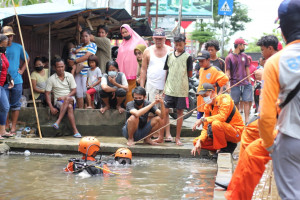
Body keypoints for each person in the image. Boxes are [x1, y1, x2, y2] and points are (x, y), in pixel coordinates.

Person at [258, 0, 300, 198]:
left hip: (290, 139)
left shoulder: (275, 62)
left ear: (283, 30)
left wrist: (270, 145)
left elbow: (266, 116)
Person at [154, 34, 193, 146]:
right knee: (164, 112)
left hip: (182, 90)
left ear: (185, 44)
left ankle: (177, 138)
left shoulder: (188, 57)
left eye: (180, 44)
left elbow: (189, 74)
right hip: (169, 89)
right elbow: (167, 72)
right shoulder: (169, 55)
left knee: (180, 113)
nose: (178, 47)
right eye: (176, 44)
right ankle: (161, 137)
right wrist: (165, 89)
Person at [191, 83, 244, 157]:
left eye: (205, 96)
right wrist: (199, 141)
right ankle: (224, 147)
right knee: (196, 142)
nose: (204, 98)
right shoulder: (207, 106)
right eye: (202, 97)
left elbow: (222, 117)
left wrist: (203, 119)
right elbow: (206, 128)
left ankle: (222, 148)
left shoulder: (225, 99)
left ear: (212, 92)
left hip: (235, 132)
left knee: (215, 124)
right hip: (221, 132)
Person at [140, 28, 173, 141]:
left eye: (161, 38)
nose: (158, 40)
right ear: (153, 38)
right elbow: (143, 70)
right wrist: (141, 88)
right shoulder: (147, 51)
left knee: (166, 111)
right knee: (151, 111)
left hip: (166, 85)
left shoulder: (170, 50)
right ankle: (152, 133)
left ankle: (167, 134)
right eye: (156, 38)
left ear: (165, 39)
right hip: (151, 85)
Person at [2, 26, 29, 135]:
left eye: (11, 36)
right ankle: (6, 126)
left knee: (15, 104)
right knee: (4, 105)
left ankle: (13, 127)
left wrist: (22, 70)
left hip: (17, 80)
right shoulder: (1, 48)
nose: (10, 38)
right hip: (3, 81)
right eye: (7, 36)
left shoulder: (18, 47)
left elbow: (27, 58)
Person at [45, 58, 81, 138]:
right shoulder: (51, 79)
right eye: (58, 67)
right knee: (69, 107)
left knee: (68, 100)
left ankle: (58, 121)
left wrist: (65, 97)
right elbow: (47, 93)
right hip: (58, 102)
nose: (60, 69)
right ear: (55, 67)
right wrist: (51, 107)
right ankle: (75, 131)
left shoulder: (70, 76)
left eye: (62, 66)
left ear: (64, 66)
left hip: (70, 98)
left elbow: (74, 90)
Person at [116, 24, 147, 104]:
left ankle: (131, 110)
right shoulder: (122, 44)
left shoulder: (139, 41)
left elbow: (145, 53)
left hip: (135, 73)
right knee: (124, 92)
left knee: (132, 93)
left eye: (126, 32)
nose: (125, 34)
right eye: (123, 33)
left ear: (130, 31)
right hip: (124, 73)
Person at [68, 28, 97, 108]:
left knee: (86, 91)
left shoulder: (92, 45)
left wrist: (74, 61)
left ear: (90, 36)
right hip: (78, 71)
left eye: (86, 36)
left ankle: (90, 109)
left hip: (87, 72)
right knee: (79, 92)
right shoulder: (79, 46)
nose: (84, 38)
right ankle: (81, 110)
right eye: (82, 36)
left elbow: (87, 56)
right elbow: (72, 52)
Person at [196, 50, 229, 120]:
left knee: (209, 119)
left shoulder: (214, 69)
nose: (200, 63)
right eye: (199, 61)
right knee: (201, 120)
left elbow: (225, 78)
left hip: (209, 100)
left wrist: (214, 85)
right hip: (200, 100)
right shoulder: (201, 70)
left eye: (202, 61)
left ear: (208, 60)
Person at [225, 38, 251, 124]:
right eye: (243, 45)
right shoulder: (229, 57)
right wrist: (227, 85)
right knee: (236, 103)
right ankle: (238, 120)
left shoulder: (245, 56)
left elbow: (247, 69)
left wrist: (249, 81)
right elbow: (227, 72)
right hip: (234, 83)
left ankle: (247, 121)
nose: (244, 47)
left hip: (246, 83)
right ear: (239, 45)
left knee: (246, 101)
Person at [0, 34, 14, 139]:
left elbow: (5, 68)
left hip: (3, 85)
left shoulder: (3, 54)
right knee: (4, 106)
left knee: (5, 107)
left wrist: (10, 79)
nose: (5, 46)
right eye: (3, 44)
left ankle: (2, 131)